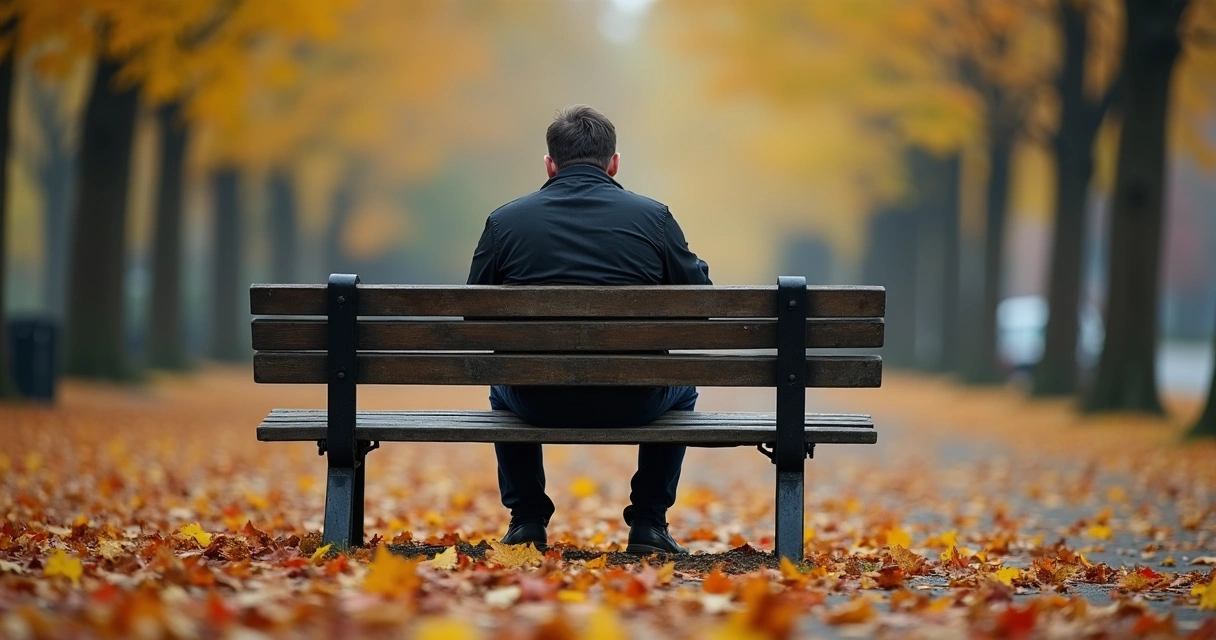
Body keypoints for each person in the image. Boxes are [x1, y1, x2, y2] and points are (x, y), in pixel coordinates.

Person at [467, 105, 711, 554]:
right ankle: (649, 523)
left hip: (535, 400)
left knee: (502, 385)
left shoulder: (505, 222)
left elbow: (473, 313)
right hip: (635, 399)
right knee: (685, 385)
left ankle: (527, 520)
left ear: (550, 164)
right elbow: (701, 304)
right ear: (613, 162)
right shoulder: (654, 218)